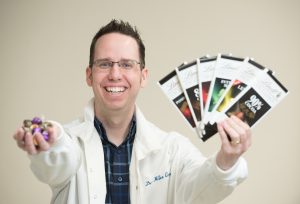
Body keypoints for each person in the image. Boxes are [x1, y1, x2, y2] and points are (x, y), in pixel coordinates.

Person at [13, 19, 251, 204]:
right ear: (89, 75)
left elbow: (203, 190)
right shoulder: (70, 141)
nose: (115, 74)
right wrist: (49, 146)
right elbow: (56, 164)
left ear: (143, 76)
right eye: (104, 64)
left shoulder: (172, 150)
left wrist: (227, 160)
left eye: (127, 64)